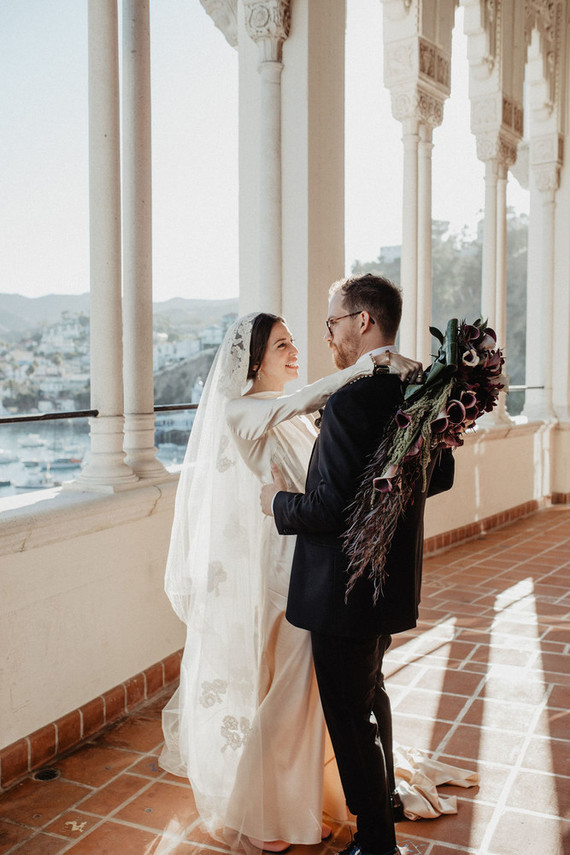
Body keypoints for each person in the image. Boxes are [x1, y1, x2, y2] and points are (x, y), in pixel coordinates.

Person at [160, 310, 422, 853]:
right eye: (281, 345)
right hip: (284, 567)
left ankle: (328, 795)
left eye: (292, 342)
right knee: (293, 687)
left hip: (317, 556)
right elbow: (293, 403)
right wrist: (365, 367)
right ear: (254, 359)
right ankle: (272, 809)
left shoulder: (301, 410)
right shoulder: (242, 411)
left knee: (321, 691)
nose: (294, 350)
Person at [261, 274, 456, 855]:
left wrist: (276, 503)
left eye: (332, 322)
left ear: (364, 322)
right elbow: (438, 476)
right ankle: (386, 802)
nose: (328, 336)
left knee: (350, 718)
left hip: (342, 592)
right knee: (372, 697)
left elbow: (327, 508)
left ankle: (376, 841)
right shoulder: (418, 389)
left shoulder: (349, 400)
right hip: (389, 585)